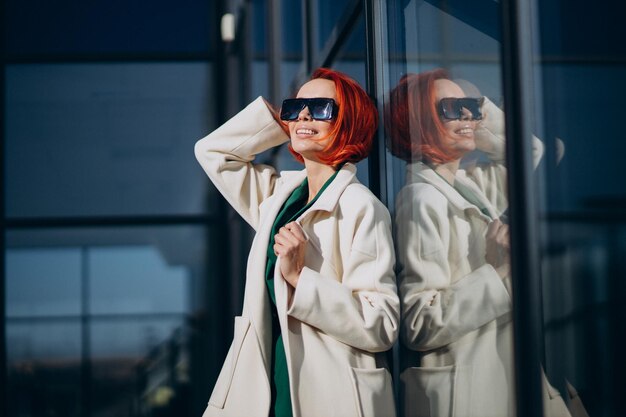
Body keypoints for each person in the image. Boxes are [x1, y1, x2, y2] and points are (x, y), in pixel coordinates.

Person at [195, 67, 399, 417]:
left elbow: (381, 323)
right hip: (266, 389)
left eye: (321, 108)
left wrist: (300, 277)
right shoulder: (279, 197)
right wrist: (276, 120)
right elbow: (212, 152)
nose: (304, 114)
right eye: (296, 106)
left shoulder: (360, 207)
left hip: (329, 394)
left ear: (348, 122)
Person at [385, 69, 572, 417]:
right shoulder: (421, 199)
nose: (469, 115)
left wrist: (477, 112)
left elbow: (534, 152)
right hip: (469, 392)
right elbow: (419, 322)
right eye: (452, 108)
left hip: (499, 379)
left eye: (470, 107)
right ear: (421, 121)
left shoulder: (471, 185)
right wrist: (498, 271)